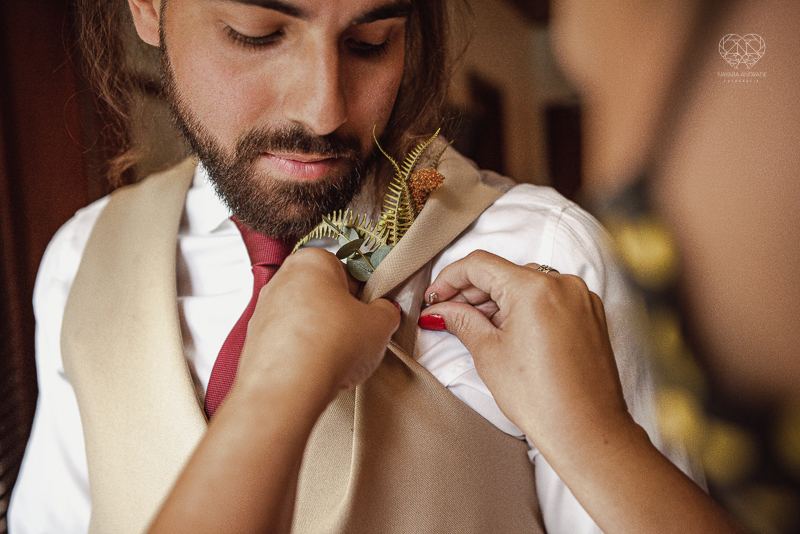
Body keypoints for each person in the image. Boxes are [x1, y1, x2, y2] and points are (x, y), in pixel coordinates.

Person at [8, 0, 735, 532]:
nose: (324, 110)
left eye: (370, 42)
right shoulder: (80, 262)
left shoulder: (545, 259)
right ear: (149, 8)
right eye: (256, 35)